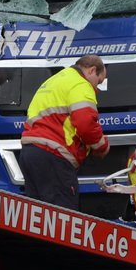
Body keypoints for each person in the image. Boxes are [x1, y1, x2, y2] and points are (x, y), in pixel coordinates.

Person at [20, 55, 110, 210]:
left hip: (29, 153)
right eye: (99, 82)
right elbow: (85, 124)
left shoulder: (54, 80)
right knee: (63, 218)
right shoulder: (80, 84)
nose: (97, 88)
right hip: (53, 155)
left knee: (37, 218)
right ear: (92, 70)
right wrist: (101, 146)